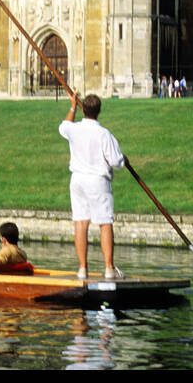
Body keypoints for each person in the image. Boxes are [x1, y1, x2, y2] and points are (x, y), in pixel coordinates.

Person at [59, 92, 127, 280]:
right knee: (105, 223)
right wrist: (123, 160)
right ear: (99, 111)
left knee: (81, 223)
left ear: (83, 109)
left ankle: (82, 268)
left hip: (78, 180)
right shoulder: (104, 134)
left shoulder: (74, 129)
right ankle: (109, 268)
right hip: (97, 181)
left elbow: (64, 126)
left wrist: (72, 106)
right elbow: (115, 161)